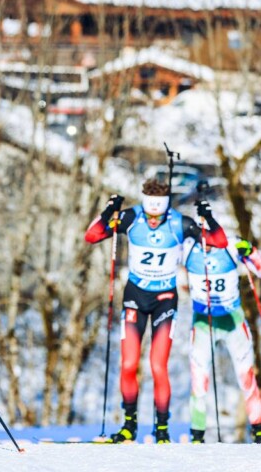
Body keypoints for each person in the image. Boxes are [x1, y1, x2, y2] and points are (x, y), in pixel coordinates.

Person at [84, 179, 228, 443]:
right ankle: (129, 425)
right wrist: (108, 211)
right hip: (135, 297)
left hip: (165, 300)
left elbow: (219, 242)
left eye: (157, 216)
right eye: (149, 215)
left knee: (158, 366)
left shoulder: (179, 223)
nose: (152, 221)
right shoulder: (131, 218)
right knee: (128, 364)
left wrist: (208, 218)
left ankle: (162, 429)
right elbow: (92, 235)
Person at [183, 236, 261, 444]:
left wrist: (251, 252)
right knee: (199, 380)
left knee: (246, 377)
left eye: (212, 238)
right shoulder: (188, 247)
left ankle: (260, 432)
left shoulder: (231, 245)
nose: (207, 243)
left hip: (232, 321)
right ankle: (197, 436)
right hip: (203, 322)